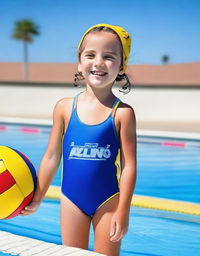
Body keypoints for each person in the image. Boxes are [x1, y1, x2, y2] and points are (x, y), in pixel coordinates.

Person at [20, 23, 137, 256]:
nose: (98, 62)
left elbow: (129, 166)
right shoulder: (64, 108)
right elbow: (52, 156)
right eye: (90, 55)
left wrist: (123, 211)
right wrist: (38, 197)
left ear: (122, 65)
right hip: (71, 200)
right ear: (79, 61)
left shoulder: (122, 113)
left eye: (109, 56)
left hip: (108, 202)